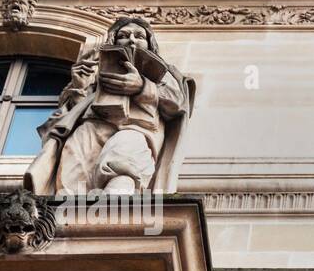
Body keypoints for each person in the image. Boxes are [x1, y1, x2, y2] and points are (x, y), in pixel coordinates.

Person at [25, 16, 191, 196]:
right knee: (70, 183)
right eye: (124, 35)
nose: (132, 39)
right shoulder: (97, 70)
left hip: (136, 129)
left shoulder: (161, 71)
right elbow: (69, 115)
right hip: (90, 129)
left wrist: (142, 86)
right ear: (114, 40)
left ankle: (112, 217)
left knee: (122, 164)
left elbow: (177, 102)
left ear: (150, 43)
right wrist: (80, 87)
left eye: (139, 36)